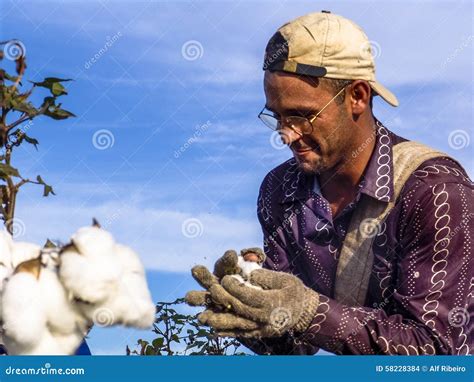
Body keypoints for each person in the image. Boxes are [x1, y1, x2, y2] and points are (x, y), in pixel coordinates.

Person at [186, 11, 473, 355]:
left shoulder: (436, 194)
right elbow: (291, 350)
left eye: (302, 116)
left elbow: (435, 352)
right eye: (277, 117)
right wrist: (250, 306)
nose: (286, 134)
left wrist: (310, 313)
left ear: (357, 96)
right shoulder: (279, 193)